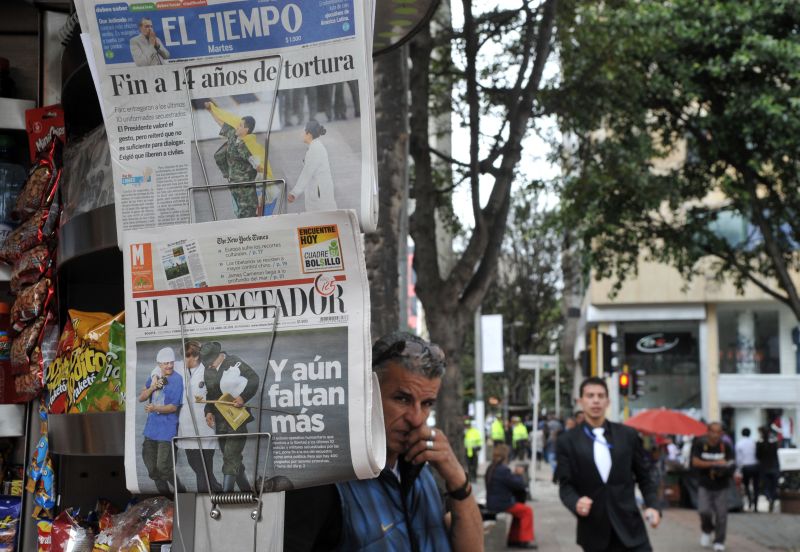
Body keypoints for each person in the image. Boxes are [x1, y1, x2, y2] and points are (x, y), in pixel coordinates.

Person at [283, 331, 483, 551]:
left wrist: (457, 480)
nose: (416, 418)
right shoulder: (325, 481)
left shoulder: (419, 469)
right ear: (368, 394)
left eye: (426, 403)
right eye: (402, 399)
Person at [556, 377, 660, 552]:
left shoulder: (627, 435)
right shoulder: (568, 441)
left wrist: (653, 506)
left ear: (608, 401)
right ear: (580, 401)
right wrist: (576, 502)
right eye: (590, 396)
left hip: (631, 529)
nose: (595, 400)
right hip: (594, 532)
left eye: (600, 395)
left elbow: (645, 477)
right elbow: (565, 487)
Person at [200, 341, 260, 492]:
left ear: (220, 356)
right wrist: (208, 411)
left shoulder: (234, 362)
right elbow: (211, 394)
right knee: (231, 458)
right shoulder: (208, 370)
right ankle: (247, 490)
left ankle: (226, 495)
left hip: (236, 419)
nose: (209, 366)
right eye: (206, 363)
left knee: (230, 456)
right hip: (220, 421)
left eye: (211, 362)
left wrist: (243, 397)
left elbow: (254, 379)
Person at [205, 101, 276, 218]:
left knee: (247, 214)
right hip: (234, 184)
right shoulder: (233, 135)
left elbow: (257, 164)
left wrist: (260, 170)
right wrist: (211, 111)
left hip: (246, 188)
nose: (237, 126)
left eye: (240, 125)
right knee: (240, 213)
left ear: (246, 130)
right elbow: (221, 123)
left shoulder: (250, 144)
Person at [174, 340, 221, 493]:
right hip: (186, 427)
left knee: (203, 468)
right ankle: (217, 488)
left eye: (185, 357)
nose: (182, 360)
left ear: (194, 357)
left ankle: (205, 500)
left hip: (205, 428)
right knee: (195, 465)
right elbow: (160, 368)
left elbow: (216, 393)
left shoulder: (209, 371)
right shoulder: (180, 369)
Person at [139, 347, 183, 495]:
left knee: (163, 468)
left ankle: (180, 491)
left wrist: (155, 408)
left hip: (167, 430)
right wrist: (152, 387)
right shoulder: (155, 376)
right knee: (152, 469)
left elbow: (172, 407)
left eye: (171, 362)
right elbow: (141, 397)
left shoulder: (177, 379)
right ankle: (166, 498)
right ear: (159, 364)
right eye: (166, 363)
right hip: (151, 430)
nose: (169, 366)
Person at [691, 421, 735, 551]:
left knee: (721, 514)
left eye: (718, 432)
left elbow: (730, 462)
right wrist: (715, 463)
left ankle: (719, 540)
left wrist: (725, 466)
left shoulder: (725, 446)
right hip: (705, 483)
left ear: (722, 433)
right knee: (704, 511)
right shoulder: (700, 444)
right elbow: (695, 462)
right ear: (708, 432)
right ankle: (707, 530)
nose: (715, 435)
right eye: (713, 431)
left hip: (721, 484)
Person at [486, 443, 536, 549]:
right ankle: (525, 540)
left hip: (493, 502)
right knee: (527, 511)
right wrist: (519, 474)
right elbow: (518, 485)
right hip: (501, 503)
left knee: (519, 512)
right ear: (505, 456)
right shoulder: (503, 470)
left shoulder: (491, 467)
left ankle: (513, 539)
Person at [288, 120, 337, 212]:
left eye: (303, 131)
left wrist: (294, 193)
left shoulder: (315, 150)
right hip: (320, 192)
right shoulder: (315, 147)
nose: (301, 134)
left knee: (322, 219)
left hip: (319, 196)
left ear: (309, 134)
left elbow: (306, 173)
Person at [756, 425, 780, 512]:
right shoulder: (773, 444)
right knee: (773, 486)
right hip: (773, 467)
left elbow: (758, 456)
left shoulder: (760, 444)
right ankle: (771, 498)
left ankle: (769, 498)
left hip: (765, 468)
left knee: (766, 486)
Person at [735, 427, 759, 512]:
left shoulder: (739, 443)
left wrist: (738, 468)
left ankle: (750, 502)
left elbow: (738, 458)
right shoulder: (754, 442)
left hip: (745, 466)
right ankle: (756, 505)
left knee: (746, 485)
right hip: (755, 465)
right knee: (756, 486)